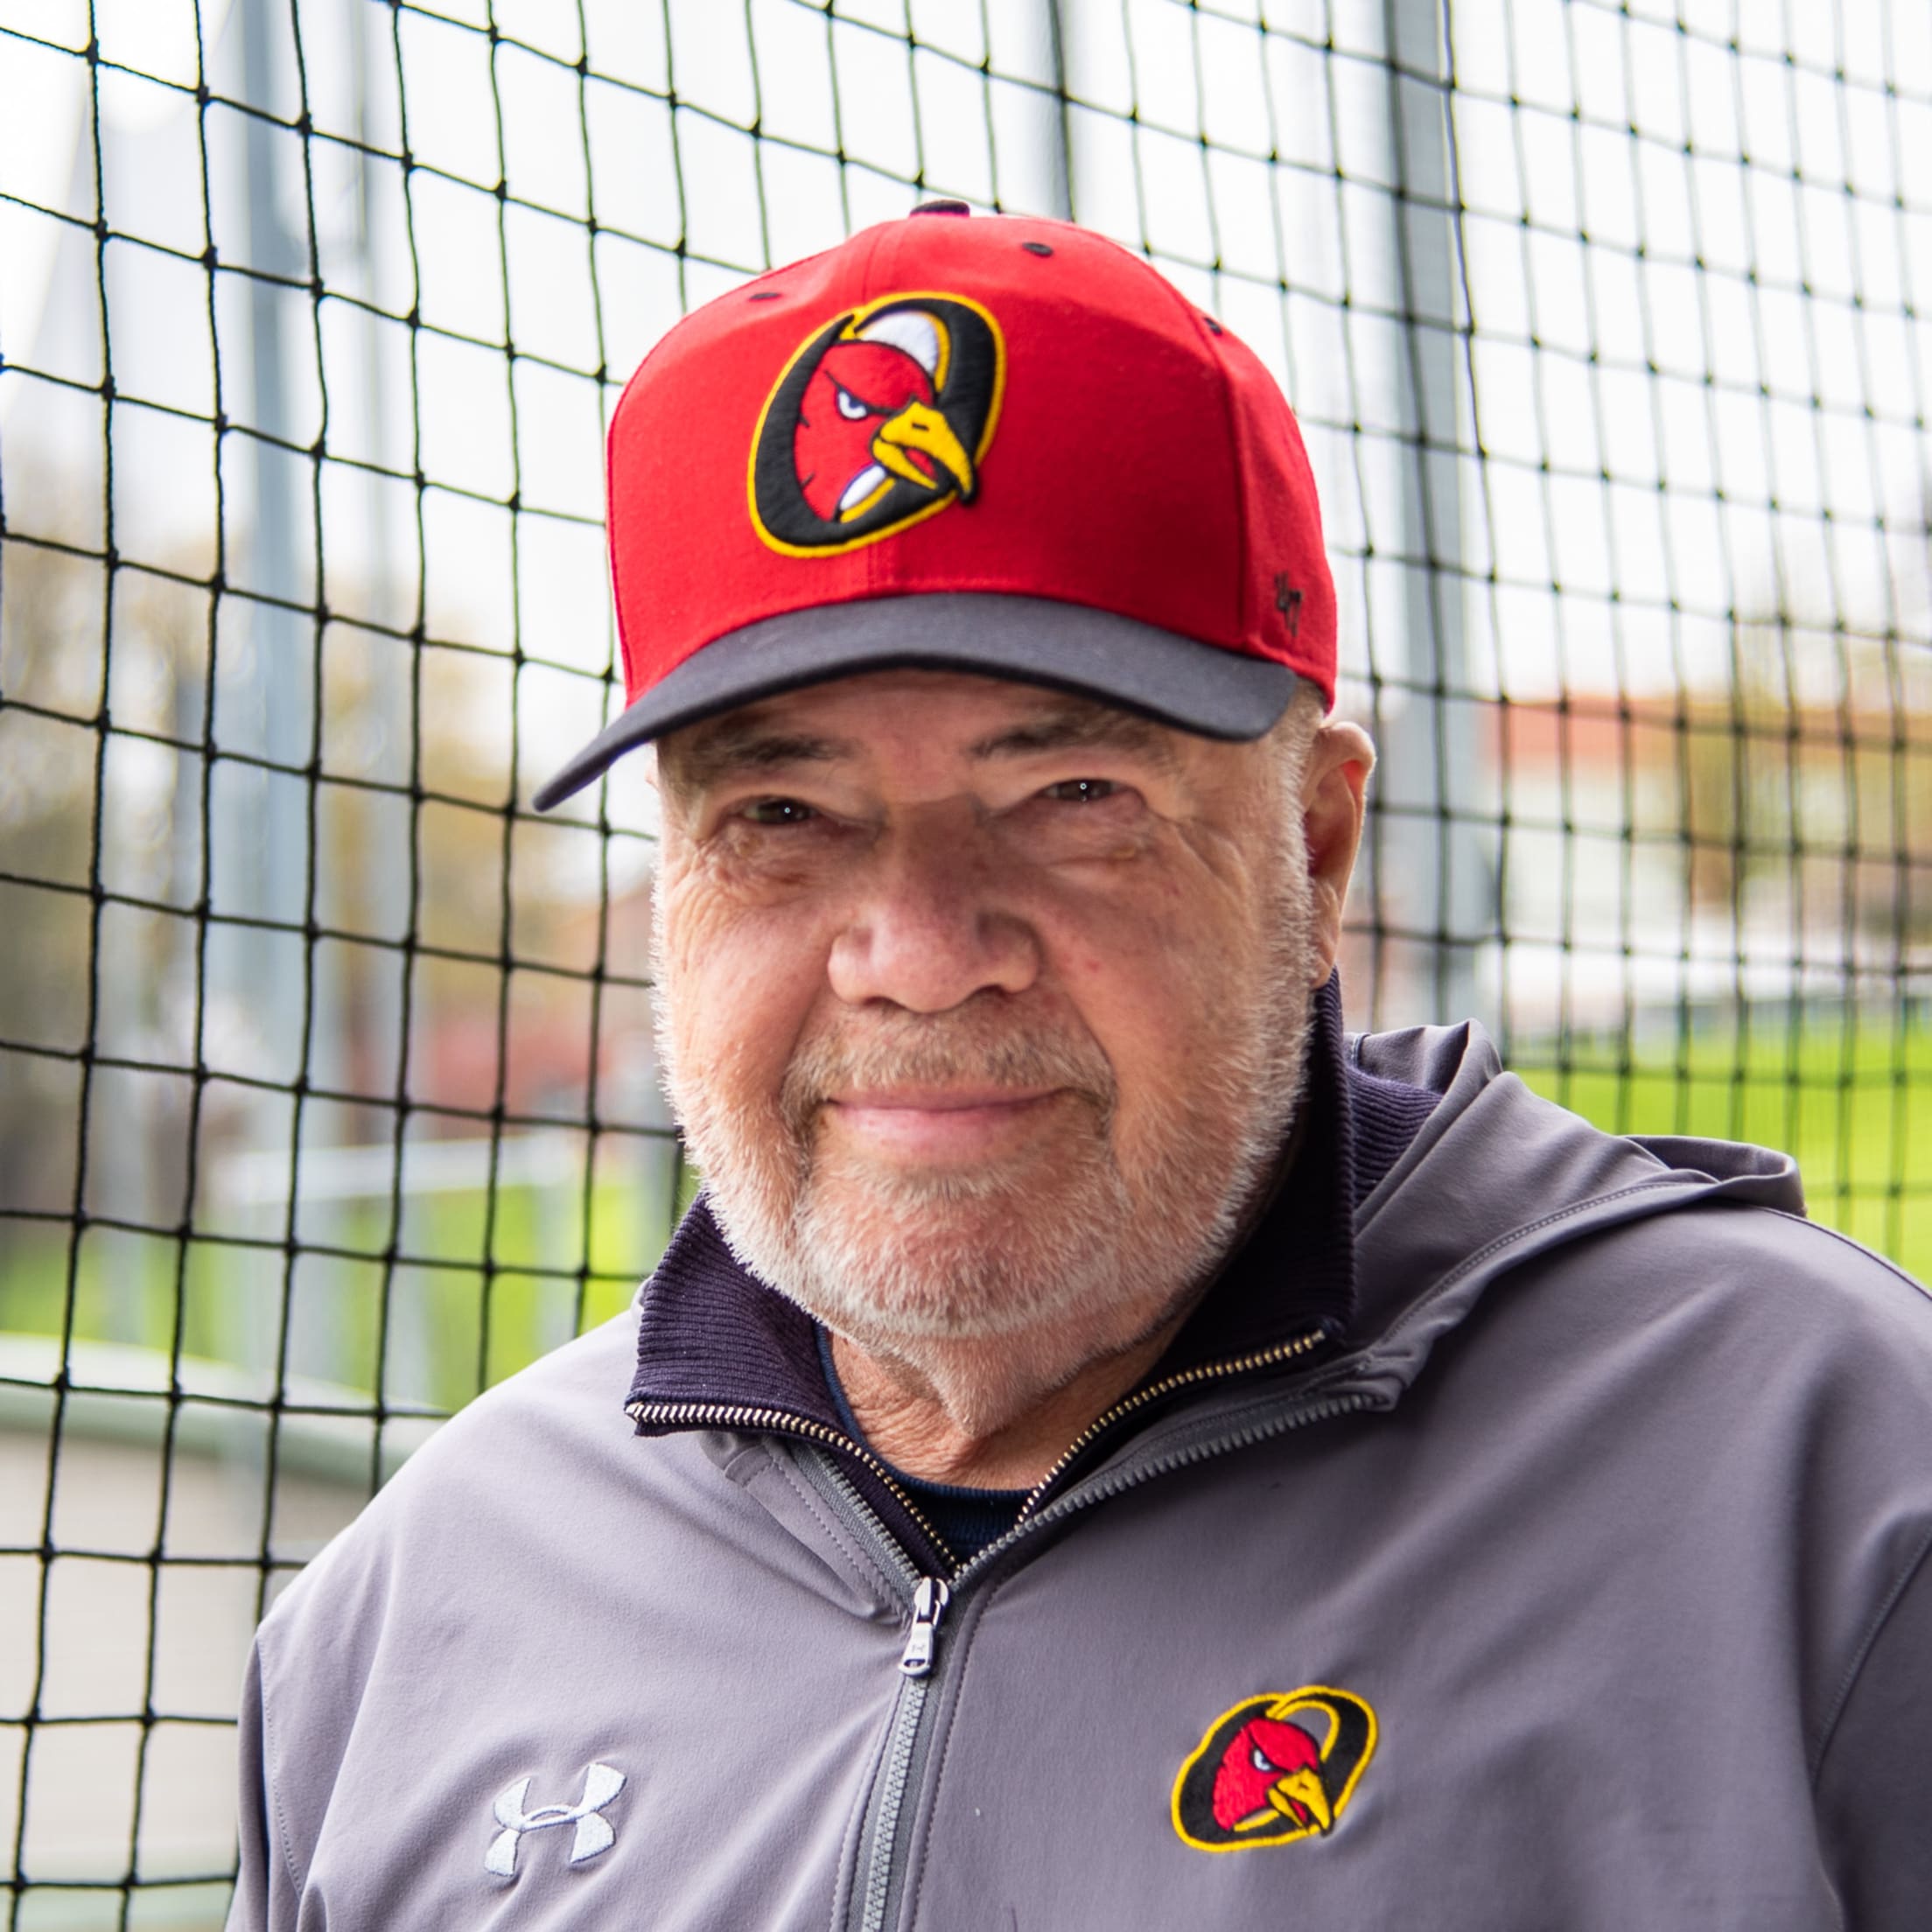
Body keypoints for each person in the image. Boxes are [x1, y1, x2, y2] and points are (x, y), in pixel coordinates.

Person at [227, 206, 1932, 1930]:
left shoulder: (1823, 1477)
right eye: (781, 815)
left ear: (1318, 844)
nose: (918, 948)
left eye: (1071, 799)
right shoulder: (411, 1622)